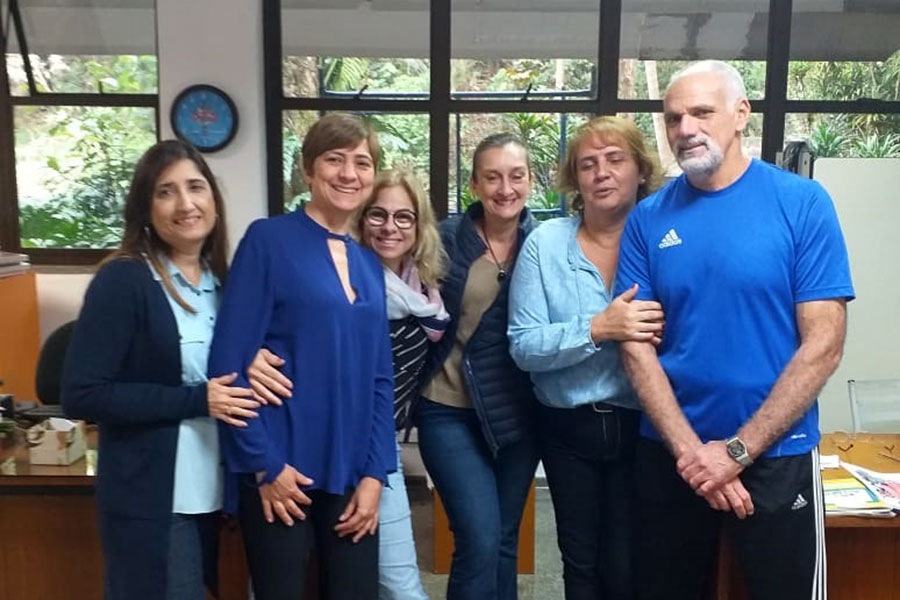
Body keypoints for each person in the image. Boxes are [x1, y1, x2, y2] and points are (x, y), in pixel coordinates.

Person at [615, 60, 854, 600]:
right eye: (674, 118)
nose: (685, 129)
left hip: (778, 454)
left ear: (741, 113)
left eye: (702, 112)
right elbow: (635, 347)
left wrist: (736, 452)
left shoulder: (801, 203)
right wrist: (693, 455)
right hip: (674, 456)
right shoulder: (649, 218)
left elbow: (824, 343)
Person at [207, 113, 396, 600]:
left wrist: (375, 474)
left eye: (362, 162)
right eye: (335, 160)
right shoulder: (268, 241)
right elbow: (228, 367)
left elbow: (380, 378)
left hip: (351, 469)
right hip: (281, 467)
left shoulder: (368, 263)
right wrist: (264, 465)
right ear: (308, 169)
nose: (349, 173)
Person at [62, 140, 258, 600]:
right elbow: (82, 393)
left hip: (214, 492)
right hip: (154, 500)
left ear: (214, 199)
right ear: (146, 210)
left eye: (196, 187)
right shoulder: (124, 279)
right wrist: (196, 399)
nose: (186, 204)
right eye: (166, 192)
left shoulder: (224, 282)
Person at [246, 169, 445, 600]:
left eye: (404, 217)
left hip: (375, 445)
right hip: (311, 439)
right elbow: (266, 324)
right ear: (360, 216)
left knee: (394, 584)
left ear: (419, 225)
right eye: (378, 214)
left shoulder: (427, 290)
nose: (390, 227)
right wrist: (249, 355)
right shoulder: (331, 273)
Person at [508, 116, 664, 600]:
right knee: (580, 564)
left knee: (629, 564)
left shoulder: (665, 241)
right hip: (566, 429)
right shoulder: (545, 244)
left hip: (645, 429)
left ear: (640, 169)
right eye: (588, 164)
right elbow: (524, 346)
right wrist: (599, 328)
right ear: (574, 178)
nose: (601, 173)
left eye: (615, 160)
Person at [418, 133, 539, 600]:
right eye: (492, 177)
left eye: (516, 176)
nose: (505, 188)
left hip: (516, 414)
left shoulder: (546, 243)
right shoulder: (444, 240)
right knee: (479, 539)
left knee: (505, 541)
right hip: (448, 409)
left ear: (530, 180)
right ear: (474, 183)